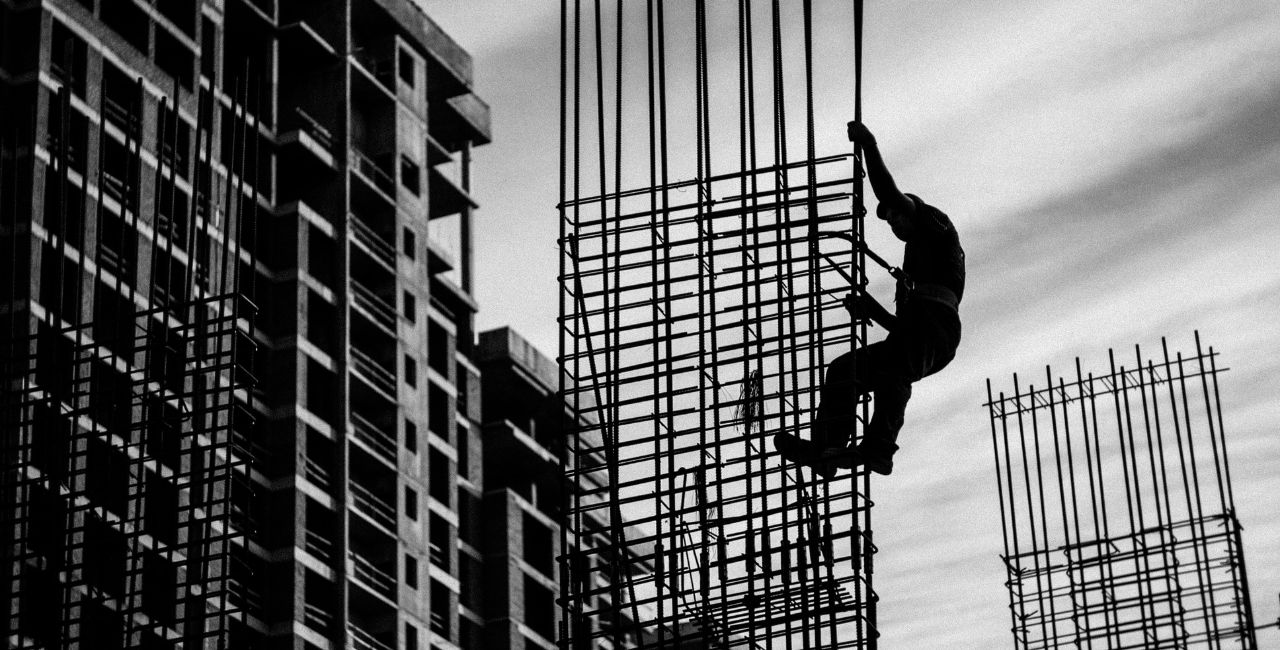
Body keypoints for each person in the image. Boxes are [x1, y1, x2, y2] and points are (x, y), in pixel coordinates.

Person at [774, 121, 965, 476]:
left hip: (938, 332)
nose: (893, 222)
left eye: (896, 215)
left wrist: (868, 144)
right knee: (845, 371)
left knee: (897, 368)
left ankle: (879, 449)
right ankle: (827, 448)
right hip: (919, 335)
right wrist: (870, 309)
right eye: (889, 221)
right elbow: (902, 329)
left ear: (912, 210)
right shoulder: (910, 270)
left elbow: (889, 194)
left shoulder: (938, 228)